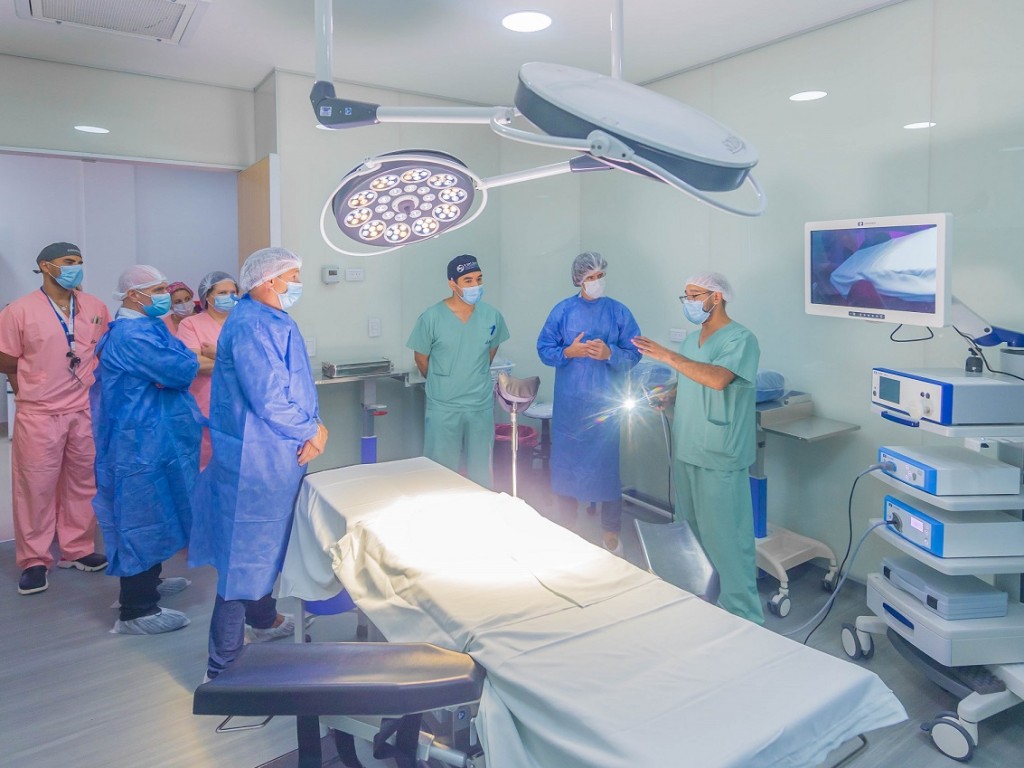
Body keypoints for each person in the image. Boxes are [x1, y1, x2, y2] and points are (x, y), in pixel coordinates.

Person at [189, 247, 327, 681]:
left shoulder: (272, 319)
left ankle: (262, 621)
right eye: (293, 276)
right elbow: (268, 398)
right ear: (269, 281)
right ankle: (222, 667)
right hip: (257, 458)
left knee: (264, 551)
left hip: (278, 452)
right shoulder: (251, 325)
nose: (297, 284)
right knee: (244, 559)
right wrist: (310, 429)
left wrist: (311, 428)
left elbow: (294, 387)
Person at [632, 271, 763, 623]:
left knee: (727, 541)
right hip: (688, 446)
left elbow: (718, 379)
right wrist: (670, 395)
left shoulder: (741, 339)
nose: (688, 302)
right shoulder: (692, 340)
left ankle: (743, 616)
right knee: (688, 535)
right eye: (686, 296)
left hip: (720, 453)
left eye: (694, 295)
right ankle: (697, 607)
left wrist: (667, 356)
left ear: (715, 297)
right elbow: (692, 378)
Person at [91, 265, 201, 634]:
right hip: (138, 442)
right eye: (157, 290)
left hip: (153, 436)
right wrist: (178, 368)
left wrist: (176, 367)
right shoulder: (131, 336)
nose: (164, 296)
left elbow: (180, 362)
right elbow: (183, 369)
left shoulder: (147, 326)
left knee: (159, 510)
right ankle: (136, 609)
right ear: (133, 295)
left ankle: (149, 582)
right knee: (140, 516)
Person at [0, 242, 111, 595]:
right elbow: (5, 358)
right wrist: (31, 383)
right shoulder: (19, 311)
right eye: (68, 261)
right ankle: (34, 559)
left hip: (84, 409)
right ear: (46, 266)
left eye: (79, 261)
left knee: (83, 482)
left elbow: (102, 350)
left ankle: (77, 548)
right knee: (35, 488)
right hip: (40, 412)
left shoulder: (95, 306)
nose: (76, 267)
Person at [537, 252, 641, 554]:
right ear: (578, 280)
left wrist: (610, 354)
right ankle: (567, 524)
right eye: (590, 277)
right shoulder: (563, 311)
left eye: (600, 276)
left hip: (605, 405)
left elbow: (635, 352)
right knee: (566, 466)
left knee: (606, 469)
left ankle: (610, 531)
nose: (596, 281)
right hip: (570, 406)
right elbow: (544, 348)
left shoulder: (618, 312)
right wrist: (568, 352)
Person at [407, 254, 509, 488]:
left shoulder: (492, 316)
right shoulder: (432, 317)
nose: (476, 286)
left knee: (481, 472)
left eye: (479, 279)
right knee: (440, 472)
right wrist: (444, 382)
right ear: (452, 284)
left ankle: (479, 509)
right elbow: (421, 359)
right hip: (444, 405)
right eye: (468, 281)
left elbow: (489, 353)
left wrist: (470, 374)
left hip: (479, 404)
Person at [177, 271, 240, 470]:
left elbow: (258, 362)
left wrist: (217, 354)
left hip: (239, 405)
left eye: (233, 292)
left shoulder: (243, 323)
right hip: (204, 405)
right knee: (205, 464)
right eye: (222, 293)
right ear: (207, 296)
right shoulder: (191, 324)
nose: (229, 297)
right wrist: (236, 362)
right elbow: (195, 364)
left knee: (235, 464)